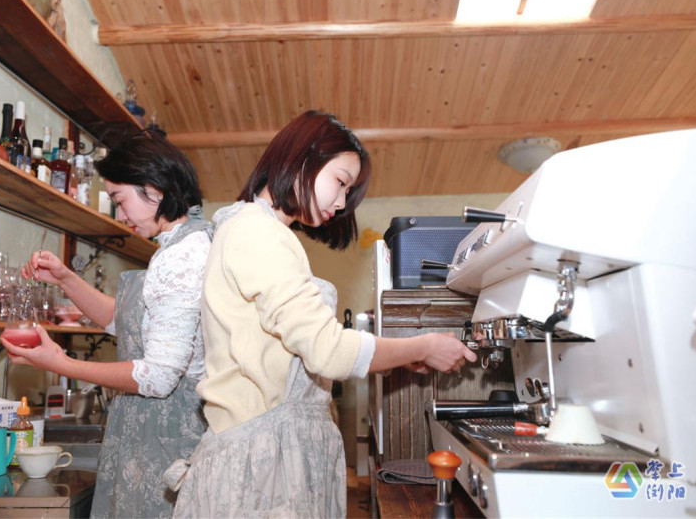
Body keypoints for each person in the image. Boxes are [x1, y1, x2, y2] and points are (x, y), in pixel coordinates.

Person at [167, 110, 476, 517]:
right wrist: (424, 345)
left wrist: (400, 355)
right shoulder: (256, 231)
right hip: (260, 464)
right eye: (341, 182)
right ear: (302, 158)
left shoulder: (259, 231)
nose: (342, 201)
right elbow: (326, 351)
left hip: (269, 451)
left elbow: (292, 350)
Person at [1, 131, 212, 518]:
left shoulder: (181, 257)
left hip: (164, 439)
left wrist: (61, 363)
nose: (120, 214)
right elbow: (125, 321)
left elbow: (158, 376)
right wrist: (66, 279)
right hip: (148, 434)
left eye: (119, 199)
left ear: (154, 189)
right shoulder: (180, 244)